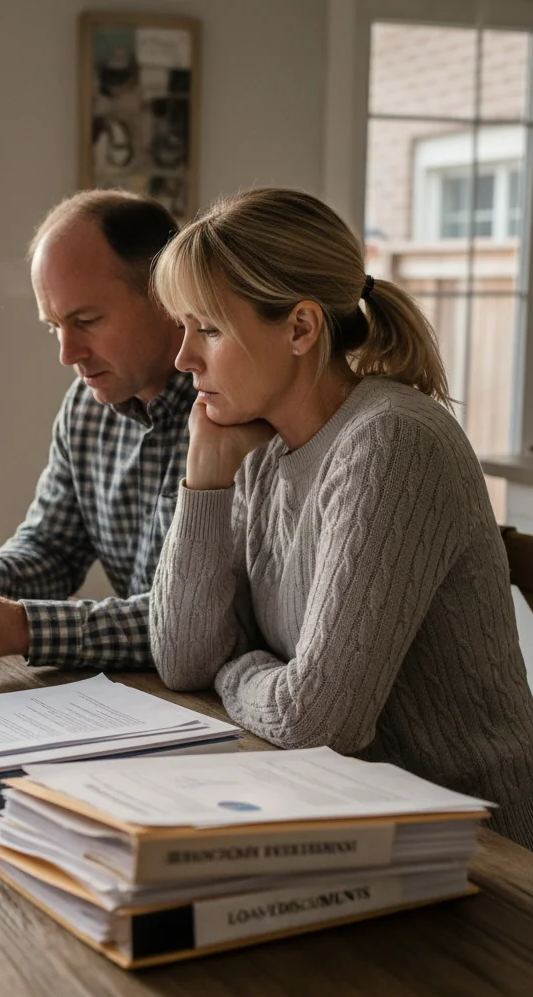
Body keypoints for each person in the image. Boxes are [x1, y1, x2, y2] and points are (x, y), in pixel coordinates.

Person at [149, 186, 533, 848]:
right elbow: (183, 659)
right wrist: (205, 481)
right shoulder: (266, 449)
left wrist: (235, 668)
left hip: (476, 846)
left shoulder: (391, 441)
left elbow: (320, 722)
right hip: (343, 817)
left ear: (301, 328)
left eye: (207, 328)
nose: (183, 359)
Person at [0, 190, 193, 668]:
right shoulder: (86, 407)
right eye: (54, 326)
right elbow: (52, 547)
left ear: (168, 298)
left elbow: (190, 627)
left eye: (87, 321)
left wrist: (22, 625)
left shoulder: (232, 414)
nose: (67, 354)